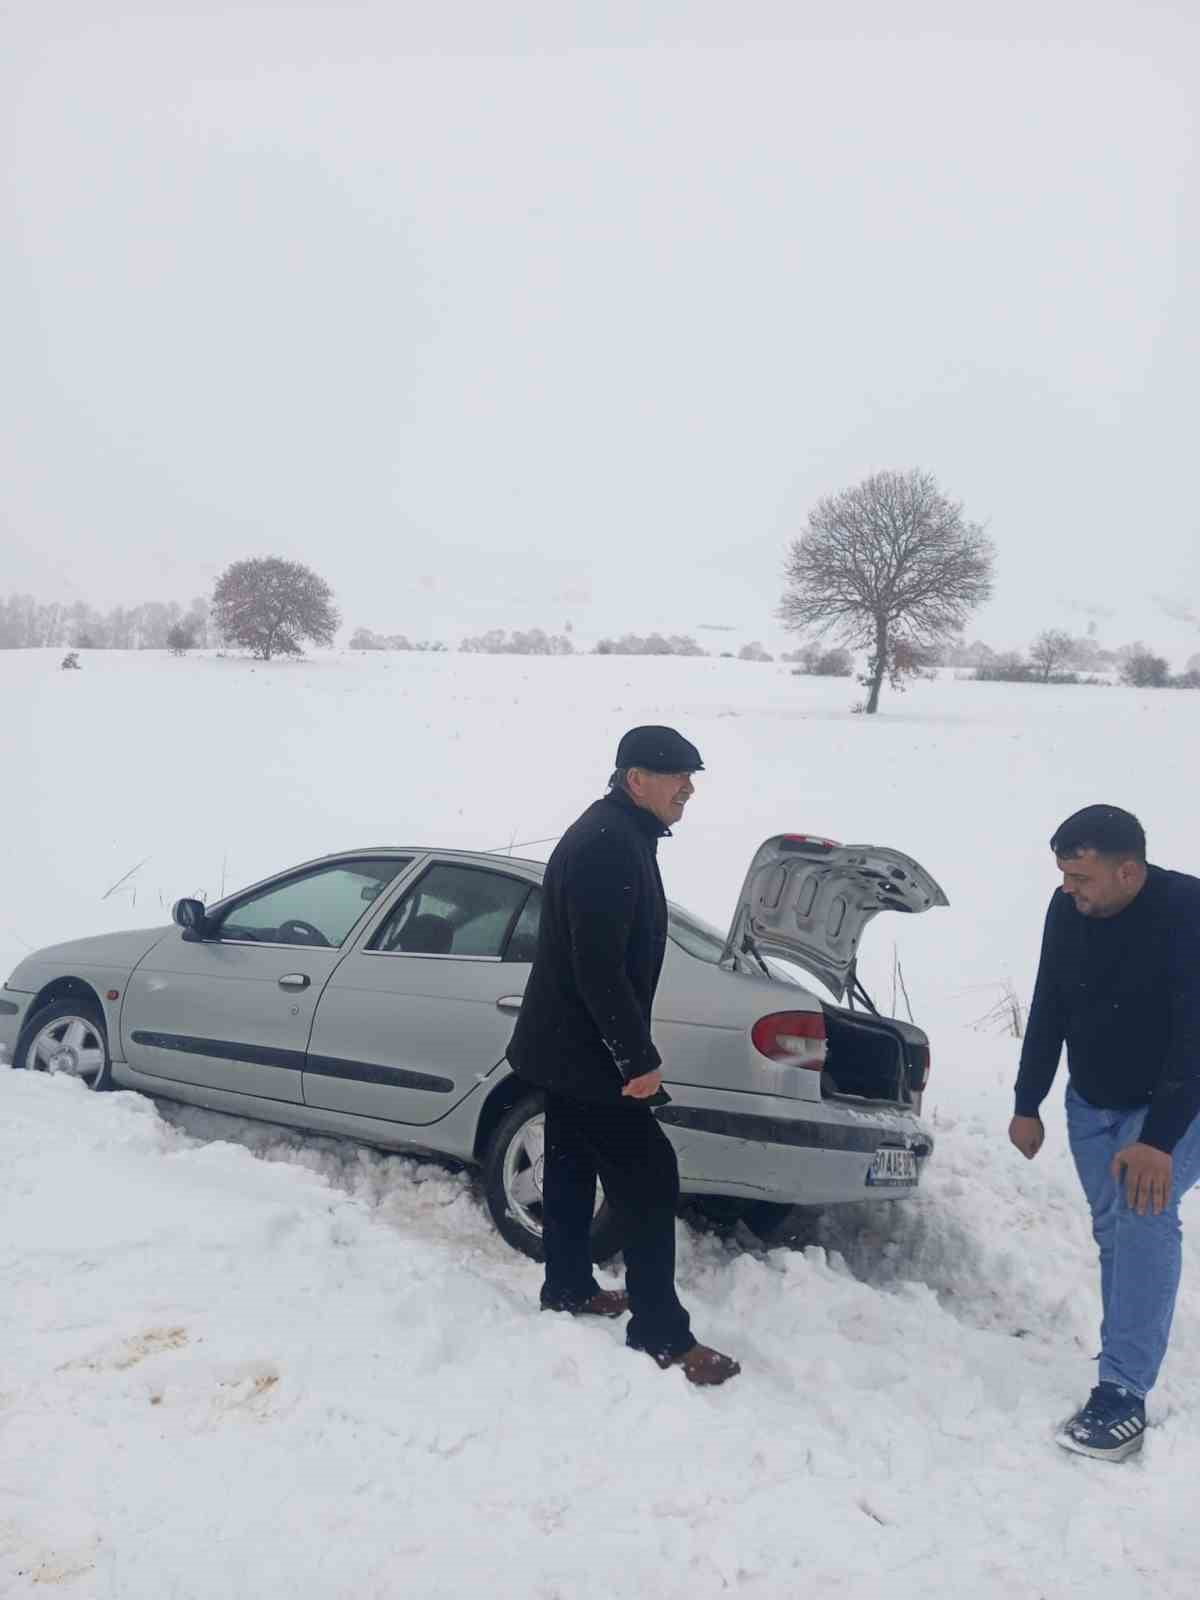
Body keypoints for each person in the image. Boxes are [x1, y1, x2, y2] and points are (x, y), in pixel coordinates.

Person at [506, 725, 741, 1386]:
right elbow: (598, 967)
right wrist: (637, 1058)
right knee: (651, 1176)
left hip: (564, 1043)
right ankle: (660, 1332)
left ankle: (569, 1286)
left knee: (574, 1165)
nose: (688, 788)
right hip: (587, 1053)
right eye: (677, 775)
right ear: (636, 779)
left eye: (692, 775)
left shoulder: (620, 833)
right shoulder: (609, 843)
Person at [1010, 805, 1200, 1460]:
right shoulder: (1068, 911)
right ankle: (1127, 1347)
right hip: (1092, 1101)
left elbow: (1195, 1033)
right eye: (1063, 874)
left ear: (1128, 871)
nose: (1069, 888)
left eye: (1081, 876)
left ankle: (1123, 1391)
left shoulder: (1187, 910)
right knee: (1115, 1228)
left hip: (1177, 1102)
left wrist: (1160, 1141)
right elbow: (1050, 1000)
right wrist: (1026, 1099)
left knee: (1145, 1214)